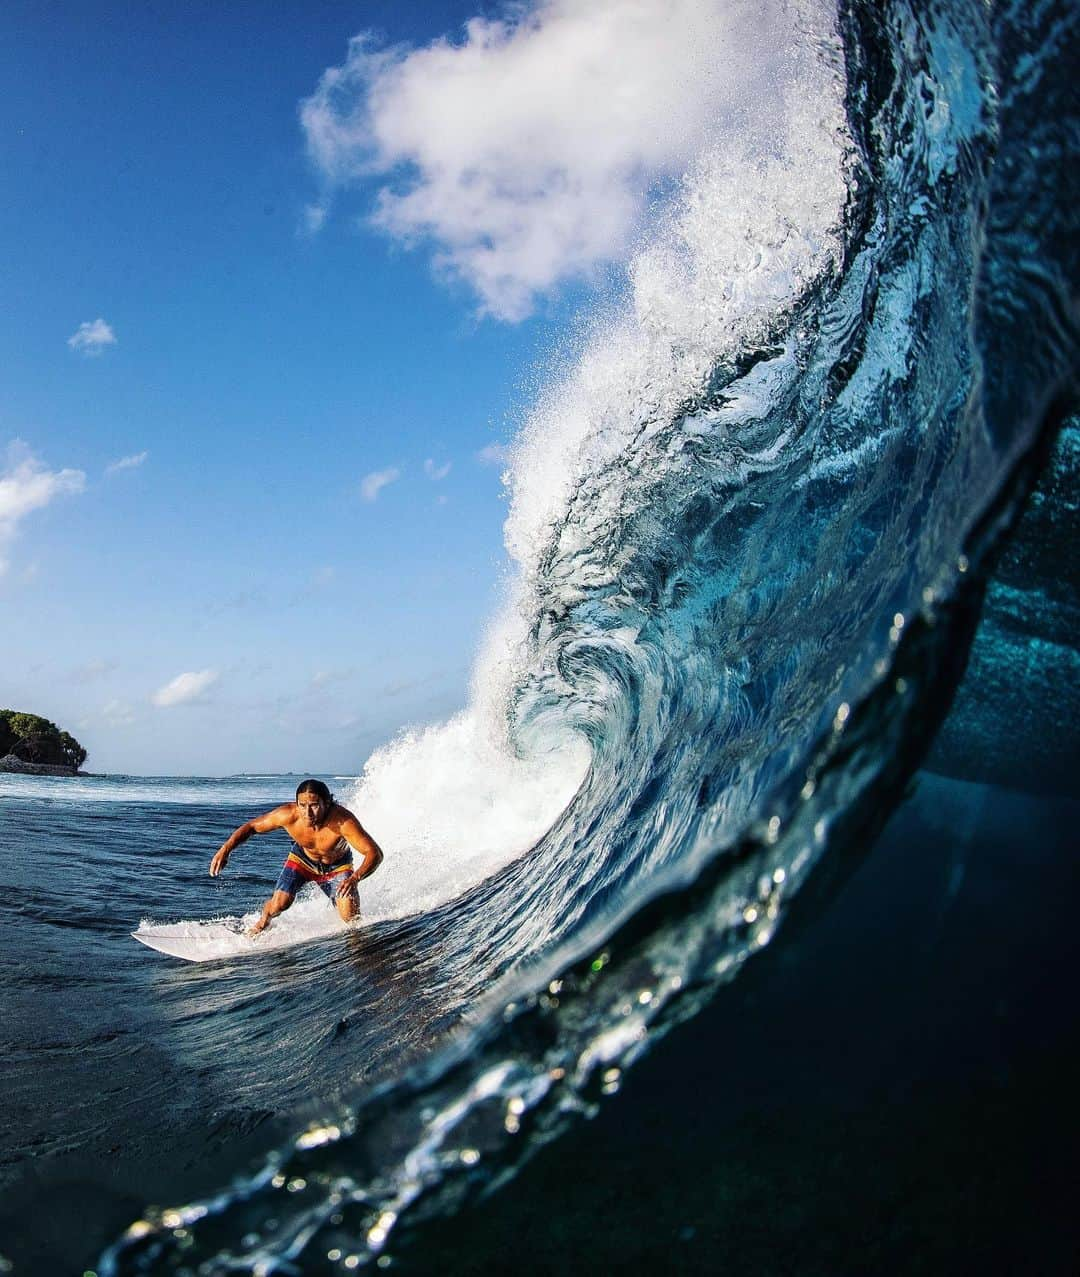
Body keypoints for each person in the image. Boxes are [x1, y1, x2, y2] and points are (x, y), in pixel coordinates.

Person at [209, 778, 383, 935]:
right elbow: (252, 826)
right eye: (302, 805)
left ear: (327, 802)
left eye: (314, 805)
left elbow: (374, 853)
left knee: (351, 920)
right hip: (302, 861)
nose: (308, 812)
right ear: (296, 803)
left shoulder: (343, 822)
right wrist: (225, 849)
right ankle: (261, 924)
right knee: (280, 904)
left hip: (337, 866)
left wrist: (355, 878)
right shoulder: (288, 815)